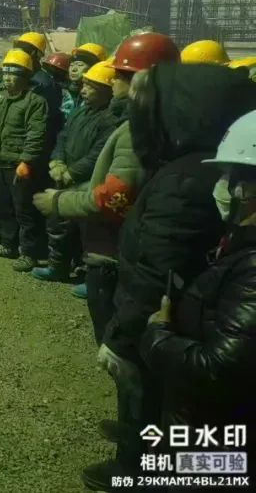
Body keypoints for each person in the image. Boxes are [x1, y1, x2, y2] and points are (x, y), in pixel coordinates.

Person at [83, 63, 256, 488]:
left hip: (166, 331)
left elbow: (157, 268)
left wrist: (129, 337)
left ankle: (137, 468)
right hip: (184, 330)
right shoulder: (192, 167)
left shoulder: (185, 177)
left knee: (149, 401)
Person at [33, 33, 180, 338]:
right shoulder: (167, 122)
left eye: (119, 76)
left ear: (140, 81)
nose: (112, 81)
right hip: (138, 249)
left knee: (116, 336)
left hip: (115, 253)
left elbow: (115, 197)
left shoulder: (137, 130)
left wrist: (59, 201)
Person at [140, 109, 256, 434]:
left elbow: (218, 370)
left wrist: (158, 336)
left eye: (231, 176)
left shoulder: (252, 270)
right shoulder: (239, 245)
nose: (222, 186)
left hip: (220, 439)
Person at [32, 62, 119, 283]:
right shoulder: (80, 111)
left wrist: (72, 172)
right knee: (58, 224)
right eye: (84, 85)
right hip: (65, 176)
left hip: (88, 181)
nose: (83, 90)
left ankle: (88, 277)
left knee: (89, 231)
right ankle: (57, 267)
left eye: (90, 87)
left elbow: (98, 154)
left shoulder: (111, 119)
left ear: (107, 90)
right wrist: (57, 162)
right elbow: (63, 136)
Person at [0, 49, 48, 269]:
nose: (7, 78)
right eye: (5, 73)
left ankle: (29, 253)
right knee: (3, 206)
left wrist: (26, 161)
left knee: (24, 211)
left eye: (13, 73)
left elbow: (36, 134)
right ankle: (7, 245)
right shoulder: (0, 99)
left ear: (25, 75)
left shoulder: (35, 102)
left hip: (18, 165)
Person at [13, 31, 63, 151]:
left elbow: (44, 121)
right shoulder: (13, 76)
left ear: (34, 53)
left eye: (22, 50)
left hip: (27, 145)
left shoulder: (44, 83)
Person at [68, 42, 108, 114]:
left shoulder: (96, 99)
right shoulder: (71, 91)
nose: (73, 69)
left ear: (94, 67)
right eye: (72, 65)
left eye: (80, 65)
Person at [42, 51, 76, 119]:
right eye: (50, 69)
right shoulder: (44, 86)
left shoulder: (66, 94)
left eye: (57, 71)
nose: (52, 75)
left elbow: (65, 116)